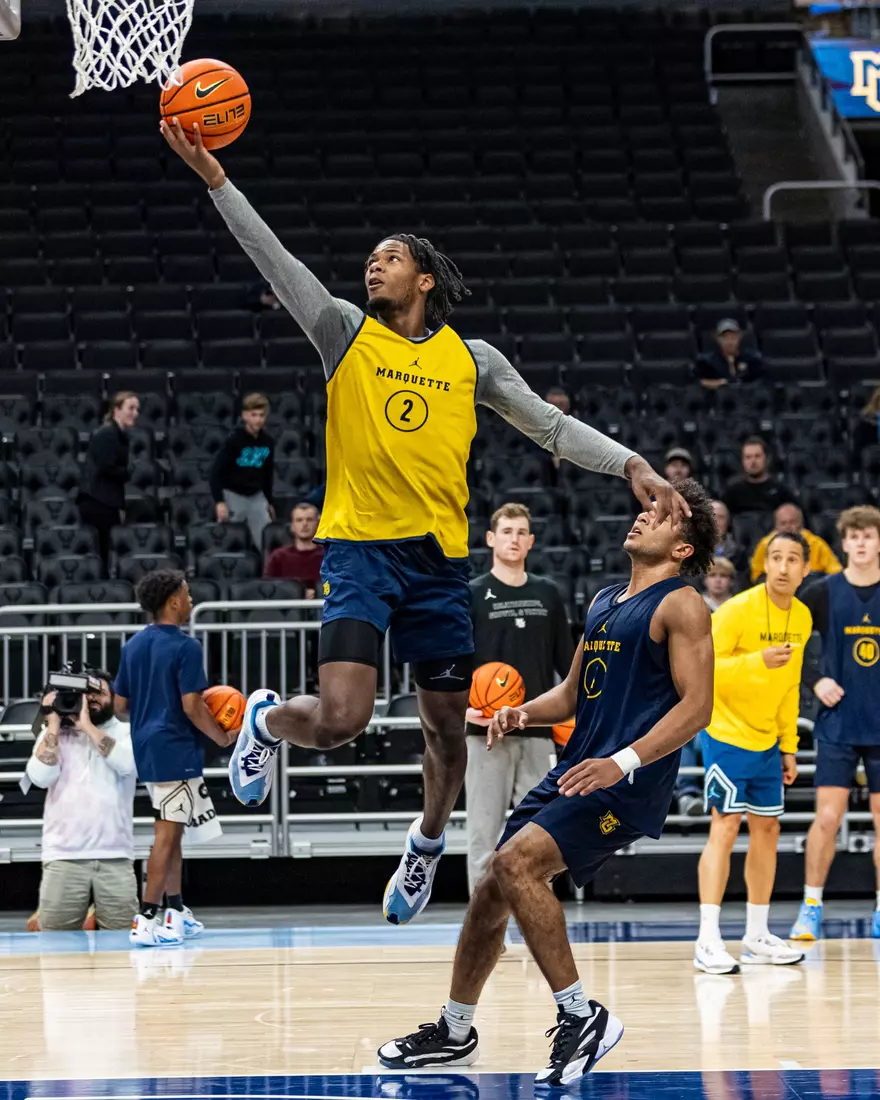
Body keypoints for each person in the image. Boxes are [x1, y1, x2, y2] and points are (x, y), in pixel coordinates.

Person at [161, 117, 685, 927]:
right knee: (341, 722)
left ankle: (425, 843)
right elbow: (274, 257)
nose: (374, 262)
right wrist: (215, 179)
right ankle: (266, 719)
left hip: (439, 564)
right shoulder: (344, 332)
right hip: (361, 552)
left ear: (426, 279)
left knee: (450, 730)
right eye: (371, 256)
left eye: (392, 255)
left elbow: (550, 426)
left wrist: (632, 464)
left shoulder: (472, 361)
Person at [376, 479, 716, 1084]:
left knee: (515, 866)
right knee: (492, 886)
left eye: (659, 517)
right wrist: (521, 712)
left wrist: (624, 762)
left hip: (623, 782)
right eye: (645, 509)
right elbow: (571, 694)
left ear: (683, 548)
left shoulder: (681, 603)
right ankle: (455, 1031)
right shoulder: (605, 601)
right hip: (577, 770)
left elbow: (697, 708)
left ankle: (580, 1016)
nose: (643, 518)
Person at [695, 531, 812, 974]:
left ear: (804, 569)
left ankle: (757, 935)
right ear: (765, 565)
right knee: (724, 828)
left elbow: (791, 685)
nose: (783, 567)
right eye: (776, 558)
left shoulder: (801, 617)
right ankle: (708, 939)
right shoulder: (736, 610)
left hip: (767, 742)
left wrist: (788, 746)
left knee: (768, 832)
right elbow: (702, 665)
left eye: (793, 559)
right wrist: (755, 661)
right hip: (725, 734)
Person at [114, 569, 234, 947]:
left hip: (148, 746)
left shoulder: (132, 646)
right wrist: (222, 736)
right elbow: (192, 706)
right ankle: (146, 918)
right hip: (175, 749)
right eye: (188, 594)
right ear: (173, 602)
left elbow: (119, 706)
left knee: (175, 831)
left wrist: (151, 713)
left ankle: (176, 911)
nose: (192, 600)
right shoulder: (186, 647)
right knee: (165, 837)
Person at [464, 503, 574, 893]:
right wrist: (466, 707)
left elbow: (569, 665)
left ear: (530, 541)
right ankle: (486, 931)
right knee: (483, 833)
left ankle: (536, 921)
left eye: (520, 532)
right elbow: (456, 665)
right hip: (484, 732)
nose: (513, 538)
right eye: (506, 531)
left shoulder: (548, 593)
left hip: (538, 728)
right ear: (491, 539)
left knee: (540, 834)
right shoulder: (472, 595)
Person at [790, 506, 880, 941]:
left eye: (869, 536)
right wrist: (815, 678)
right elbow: (791, 637)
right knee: (827, 817)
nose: (861, 543)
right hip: (839, 723)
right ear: (843, 543)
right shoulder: (823, 592)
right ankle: (811, 906)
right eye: (854, 536)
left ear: (878, 542)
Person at [25, 672, 137, 931]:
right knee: (55, 946)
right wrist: (52, 723)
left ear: (112, 698)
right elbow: (40, 777)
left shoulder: (127, 732)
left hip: (115, 857)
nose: (92, 699)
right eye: (86, 694)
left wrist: (86, 725)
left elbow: (128, 765)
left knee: (121, 948)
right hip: (64, 856)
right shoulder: (52, 735)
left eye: (99, 693)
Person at [676, 558, 736, 817]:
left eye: (724, 576)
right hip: (695, 681)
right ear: (706, 579)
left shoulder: (740, 609)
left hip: (731, 686)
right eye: (714, 575)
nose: (719, 580)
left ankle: (719, 792)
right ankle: (688, 795)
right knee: (686, 737)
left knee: (711, 739)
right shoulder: (693, 606)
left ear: (731, 580)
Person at [78, 390, 139, 565]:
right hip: (98, 503)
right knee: (100, 552)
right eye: (131, 408)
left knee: (104, 552)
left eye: (137, 409)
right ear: (116, 410)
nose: (135, 413)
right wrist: (128, 473)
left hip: (105, 502)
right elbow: (106, 467)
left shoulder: (116, 435)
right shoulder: (107, 434)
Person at [209, 392, 276, 551]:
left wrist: (269, 501)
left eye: (261, 415)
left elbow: (268, 474)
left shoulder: (268, 442)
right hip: (234, 495)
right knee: (229, 542)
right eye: (253, 415)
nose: (258, 419)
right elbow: (216, 473)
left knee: (266, 542)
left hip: (257, 496)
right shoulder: (234, 440)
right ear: (245, 416)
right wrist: (219, 501)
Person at [750, 503, 842, 584]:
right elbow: (757, 574)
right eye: (783, 523)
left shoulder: (816, 543)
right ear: (776, 526)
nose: (788, 527)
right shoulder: (765, 545)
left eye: (792, 522)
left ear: (800, 523)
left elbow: (835, 571)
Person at [723, 436, 796, 518]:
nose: (753, 461)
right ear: (742, 461)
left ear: (766, 458)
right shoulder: (732, 492)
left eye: (757, 456)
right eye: (748, 457)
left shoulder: (781, 491)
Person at [264, 502, 323, 597]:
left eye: (309, 520)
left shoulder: (327, 556)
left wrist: (318, 594)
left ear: (318, 524)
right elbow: (268, 588)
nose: (304, 524)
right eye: (299, 520)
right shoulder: (279, 556)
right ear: (292, 526)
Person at [694, 319, 764, 390]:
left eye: (733, 338)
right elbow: (698, 381)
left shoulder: (752, 359)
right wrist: (720, 383)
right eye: (725, 338)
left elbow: (762, 380)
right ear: (718, 339)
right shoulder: (708, 362)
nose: (730, 342)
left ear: (739, 338)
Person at [711, 499, 746, 575]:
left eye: (721, 517)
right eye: (712, 516)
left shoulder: (739, 553)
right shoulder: (690, 551)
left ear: (728, 522)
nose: (716, 522)